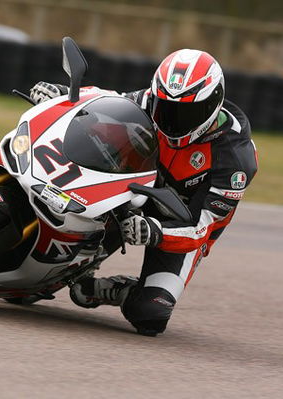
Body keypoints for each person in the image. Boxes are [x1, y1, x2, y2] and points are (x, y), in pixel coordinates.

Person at [30, 49, 258, 336]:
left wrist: (156, 231)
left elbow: (203, 227)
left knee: (150, 315)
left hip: (179, 229)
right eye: (166, 107)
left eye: (188, 111)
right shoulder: (150, 103)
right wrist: (63, 96)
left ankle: (114, 290)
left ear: (213, 103)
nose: (173, 119)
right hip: (130, 198)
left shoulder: (235, 159)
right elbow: (107, 101)